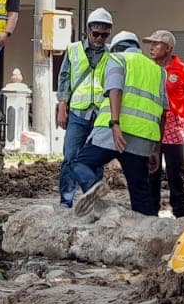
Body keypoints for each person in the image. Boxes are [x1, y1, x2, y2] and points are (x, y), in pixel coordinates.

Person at [71, 31, 167, 216]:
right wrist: (156, 148)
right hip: (143, 136)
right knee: (139, 189)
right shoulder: (158, 70)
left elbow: (115, 88)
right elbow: (163, 111)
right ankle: (147, 230)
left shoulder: (116, 59)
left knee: (81, 164)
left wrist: (115, 123)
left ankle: (93, 188)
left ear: (115, 48)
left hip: (113, 133)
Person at [55, 8, 114, 206]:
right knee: (70, 157)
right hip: (78, 113)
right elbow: (64, 79)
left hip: (100, 115)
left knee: (95, 159)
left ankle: (93, 200)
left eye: (104, 35)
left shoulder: (112, 53)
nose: (99, 38)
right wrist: (62, 107)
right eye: (96, 34)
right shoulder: (73, 50)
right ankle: (66, 200)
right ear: (88, 31)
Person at [145, 29, 184, 217]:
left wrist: (179, 113)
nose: (151, 48)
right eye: (151, 44)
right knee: (152, 171)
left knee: (176, 174)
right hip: (151, 129)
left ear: (168, 48)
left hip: (174, 131)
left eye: (156, 44)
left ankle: (180, 211)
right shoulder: (148, 68)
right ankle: (150, 211)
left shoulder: (183, 71)